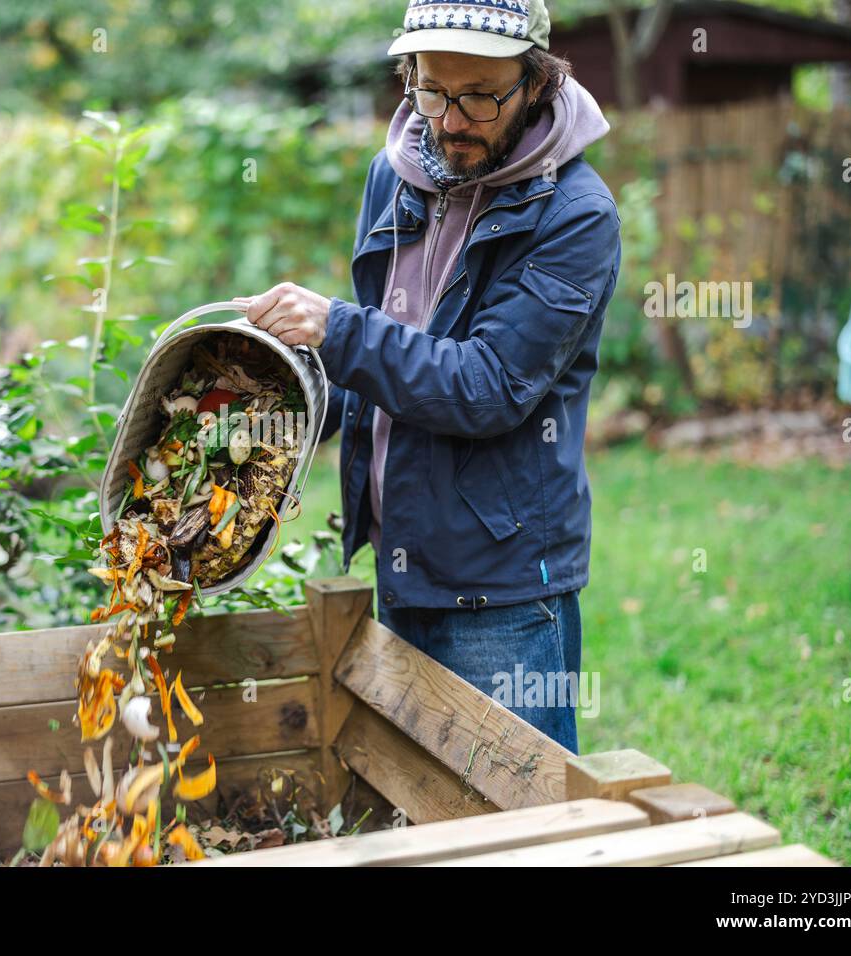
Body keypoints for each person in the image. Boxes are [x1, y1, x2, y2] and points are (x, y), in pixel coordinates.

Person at [236, 0, 621, 753]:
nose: (449, 120)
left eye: (479, 95)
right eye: (431, 89)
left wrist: (338, 329)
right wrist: (264, 406)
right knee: (422, 799)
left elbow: (486, 385)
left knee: (522, 825)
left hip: (501, 587)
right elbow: (385, 367)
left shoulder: (576, 215)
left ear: (537, 82)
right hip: (402, 555)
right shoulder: (398, 175)